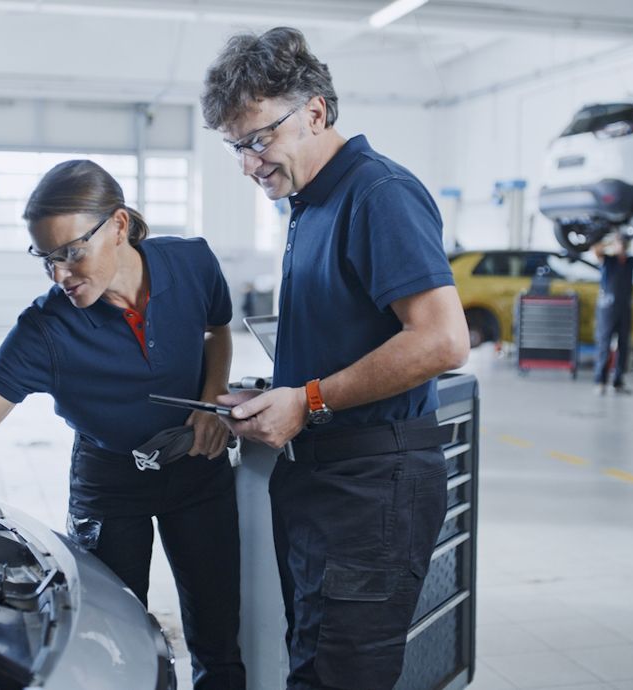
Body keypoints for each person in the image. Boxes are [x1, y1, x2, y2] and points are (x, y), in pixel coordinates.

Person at [0, 160, 246, 689]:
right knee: (115, 648)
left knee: (218, 640)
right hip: (109, 485)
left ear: (119, 225)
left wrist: (210, 399)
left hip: (197, 470)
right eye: (47, 259)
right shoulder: (45, 330)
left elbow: (217, 329)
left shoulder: (192, 262)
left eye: (71, 253)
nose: (59, 275)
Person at [200, 27, 470, 690]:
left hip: (371, 489)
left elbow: (442, 339)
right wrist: (277, 395)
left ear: (315, 112)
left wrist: (309, 400)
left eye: (257, 139)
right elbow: (346, 335)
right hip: (324, 482)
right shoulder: (310, 204)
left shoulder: (377, 194)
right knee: (314, 665)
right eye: (236, 147)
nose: (248, 164)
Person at [591, 233, 633, 395]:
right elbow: (595, 250)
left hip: (625, 309)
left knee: (624, 345)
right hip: (608, 309)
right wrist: (610, 241)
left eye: (624, 243)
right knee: (604, 344)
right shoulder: (608, 260)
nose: (622, 245)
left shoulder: (630, 261)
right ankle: (600, 381)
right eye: (620, 243)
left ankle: (618, 382)